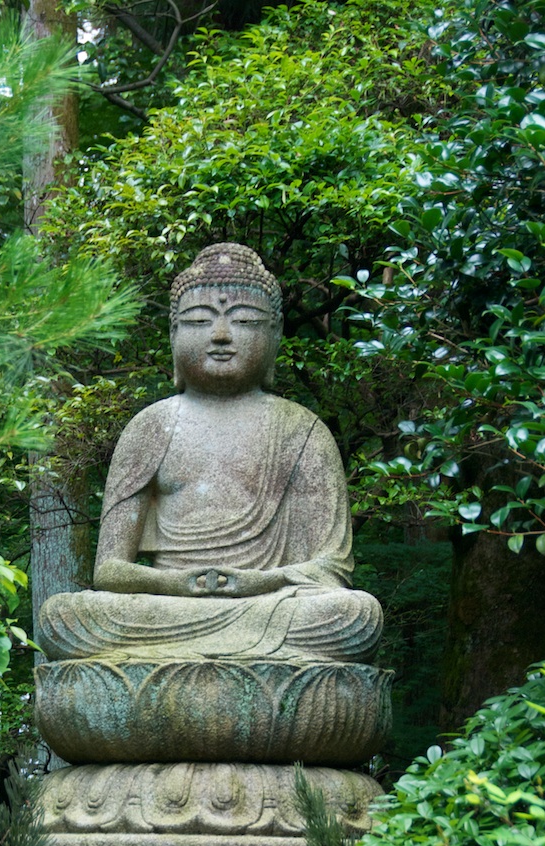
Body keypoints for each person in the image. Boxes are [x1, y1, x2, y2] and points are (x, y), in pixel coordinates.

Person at [37, 243, 382, 665]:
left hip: (268, 604)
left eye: (245, 321)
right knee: (64, 617)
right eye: (199, 321)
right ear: (174, 336)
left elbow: (331, 570)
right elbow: (109, 571)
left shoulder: (302, 430)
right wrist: (177, 584)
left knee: (355, 614)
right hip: (168, 606)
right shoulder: (151, 427)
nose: (220, 335)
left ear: (274, 336)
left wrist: (257, 583)